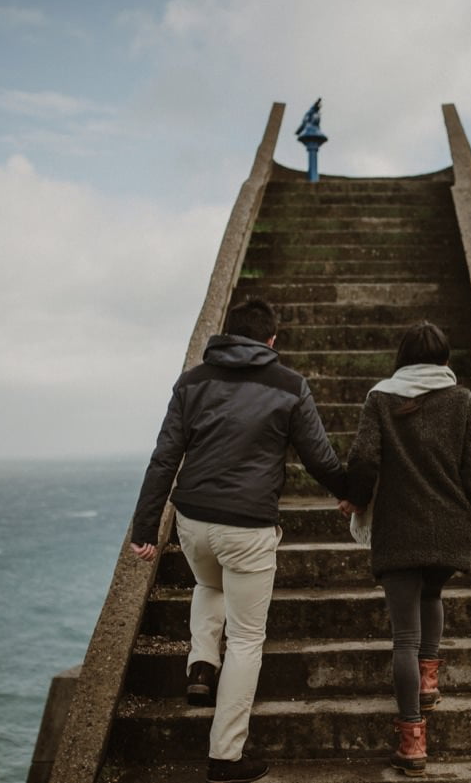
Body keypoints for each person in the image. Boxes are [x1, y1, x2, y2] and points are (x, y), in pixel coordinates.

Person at [129, 297, 350, 783]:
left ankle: (203, 664)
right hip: (247, 527)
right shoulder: (289, 387)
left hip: (193, 521)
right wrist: (354, 494)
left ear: (229, 334)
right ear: (271, 341)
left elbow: (164, 458)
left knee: (208, 586)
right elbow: (319, 459)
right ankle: (226, 756)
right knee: (248, 639)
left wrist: (145, 529)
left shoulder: (192, 382)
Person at [342, 321, 471, 777]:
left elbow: (364, 460)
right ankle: (429, 680)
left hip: (399, 529)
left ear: (403, 357)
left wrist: (356, 499)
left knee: (402, 638)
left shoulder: (381, 397)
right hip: (449, 528)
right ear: (444, 359)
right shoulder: (463, 400)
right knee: (433, 595)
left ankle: (412, 742)